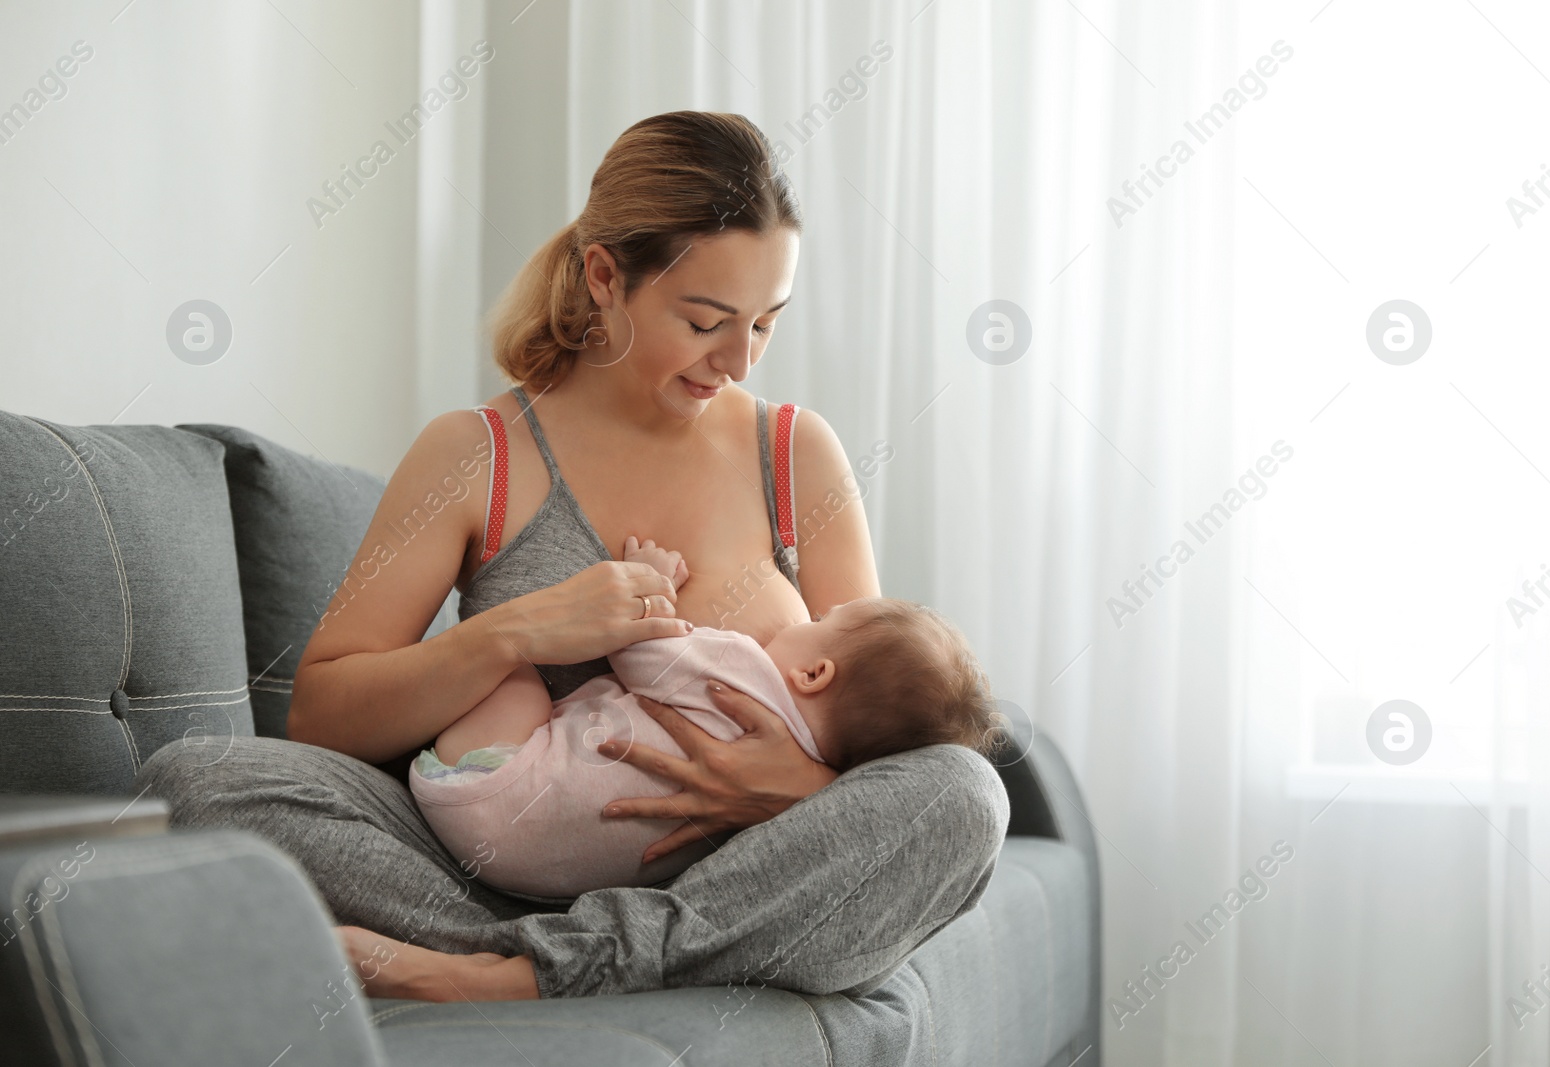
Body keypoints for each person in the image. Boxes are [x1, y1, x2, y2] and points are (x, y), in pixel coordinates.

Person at [134, 110, 1008, 1003]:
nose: (738, 361)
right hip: (486, 871)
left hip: (735, 882)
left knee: (964, 794)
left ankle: (519, 972)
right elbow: (321, 715)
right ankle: (563, 960)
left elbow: (880, 726)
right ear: (604, 277)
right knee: (195, 780)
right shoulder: (476, 454)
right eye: (707, 320)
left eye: (766, 324)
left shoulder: (795, 455)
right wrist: (513, 634)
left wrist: (804, 786)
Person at [411, 529, 1004, 900]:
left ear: (815, 674)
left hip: (480, 789)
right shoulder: (787, 811)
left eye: (818, 624)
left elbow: (637, 644)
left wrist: (655, 586)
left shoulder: (740, 670)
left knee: (516, 675)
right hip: (556, 879)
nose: (804, 622)